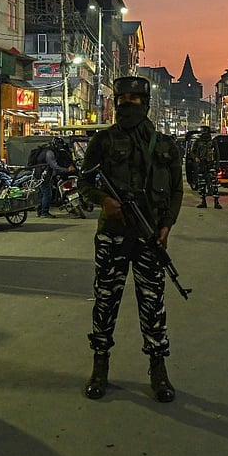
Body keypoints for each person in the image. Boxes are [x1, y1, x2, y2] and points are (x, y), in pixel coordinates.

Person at [79, 76, 184, 403]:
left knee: (153, 306)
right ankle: (100, 364)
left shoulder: (165, 145)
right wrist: (104, 201)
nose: (127, 104)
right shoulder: (103, 141)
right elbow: (84, 184)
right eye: (122, 98)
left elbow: (177, 190)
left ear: (146, 103)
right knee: (106, 302)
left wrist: (167, 225)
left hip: (150, 238)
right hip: (112, 237)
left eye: (134, 99)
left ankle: (158, 368)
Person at [37, 136, 76, 218]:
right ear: (55, 145)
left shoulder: (49, 150)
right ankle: (44, 212)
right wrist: (67, 170)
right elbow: (55, 166)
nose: (60, 147)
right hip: (43, 175)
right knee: (47, 193)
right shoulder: (49, 153)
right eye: (59, 145)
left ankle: (40, 211)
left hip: (40, 173)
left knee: (42, 193)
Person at [189, 125, 222, 209]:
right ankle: (203, 201)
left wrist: (217, 165)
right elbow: (192, 152)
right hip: (201, 165)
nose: (204, 134)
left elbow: (217, 154)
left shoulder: (212, 142)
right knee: (201, 184)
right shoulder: (198, 141)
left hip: (211, 164)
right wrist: (196, 158)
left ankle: (216, 202)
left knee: (214, 184)